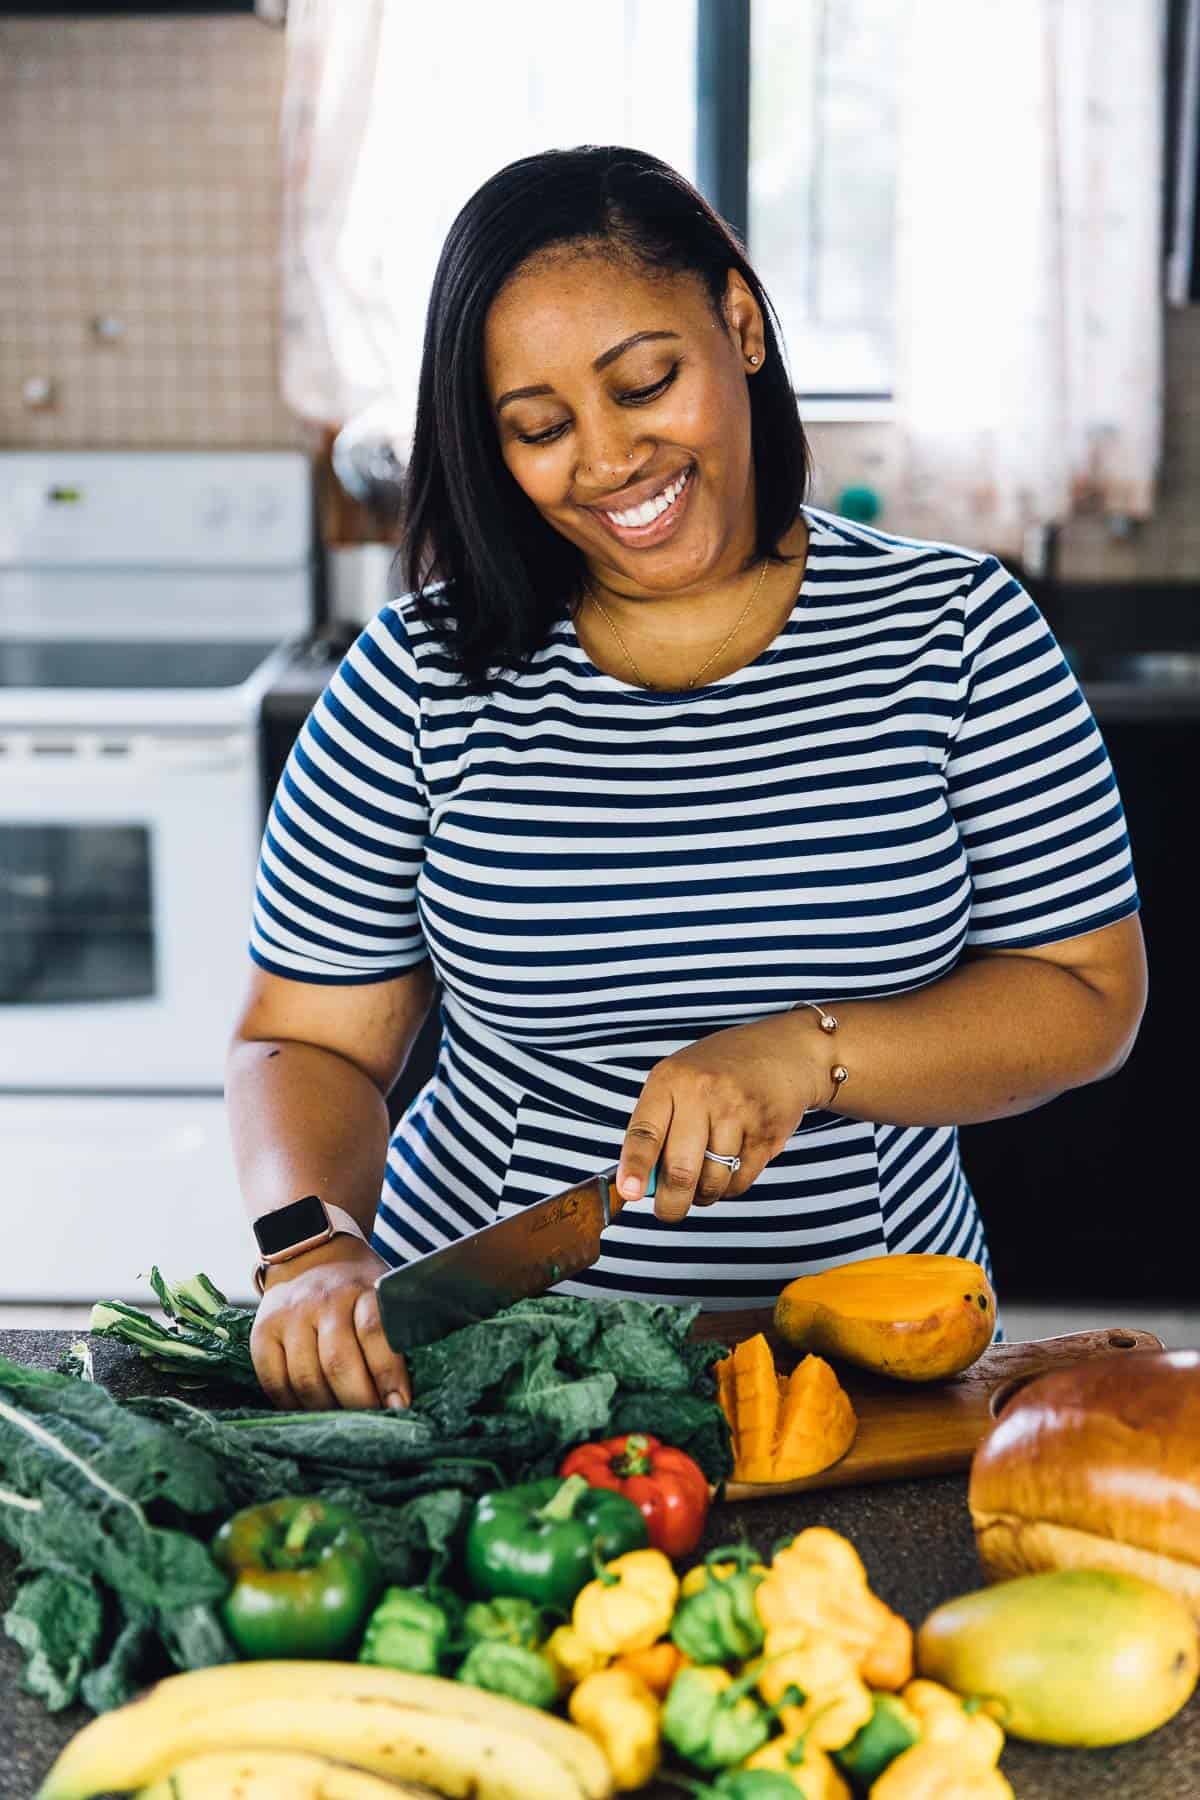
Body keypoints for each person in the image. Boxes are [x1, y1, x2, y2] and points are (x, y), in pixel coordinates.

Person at [227, 146, 1146, 1414]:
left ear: (742, 323)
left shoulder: (959, 631)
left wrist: (808, 1053)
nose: (608, 460)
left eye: (645, 382)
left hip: (867, 1362)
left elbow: (1087, 996)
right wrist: (311, 1248)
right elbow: (301, 1037)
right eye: (539, 429)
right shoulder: (418, 677)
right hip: (492, 1369)